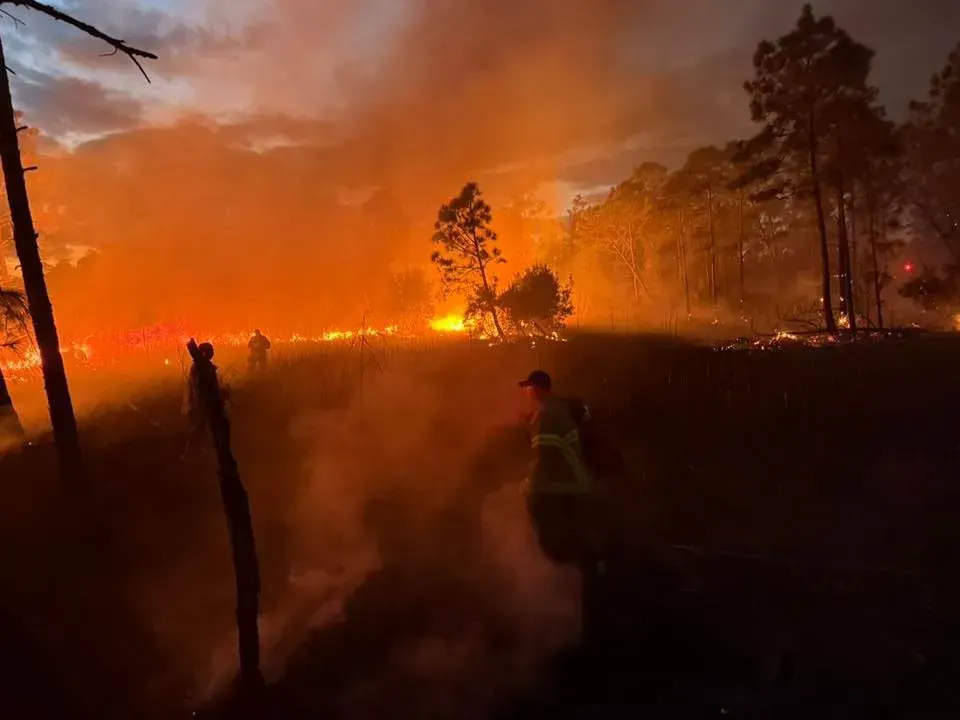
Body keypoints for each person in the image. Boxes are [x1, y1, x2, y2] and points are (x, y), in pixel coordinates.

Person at [518, 369, 606, 643]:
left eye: (528, 387)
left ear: (537, 388)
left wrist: (525, 488)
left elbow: (546, 461)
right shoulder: (560, 411)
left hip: (556, 492)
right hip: (576, 488)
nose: (526, 393)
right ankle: (590, 604)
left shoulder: (548, 417)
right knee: (577, 550)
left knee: (555, 552)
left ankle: (566, 623)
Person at [181, 342, 229, 459]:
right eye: (210, 350)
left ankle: (205, 450)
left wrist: (221, 390)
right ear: (204, 353)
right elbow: (197, 386)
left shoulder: (205, 365)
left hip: (209, 401)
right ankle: (190, 452)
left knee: (211, 427)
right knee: (199, 427)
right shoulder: (198, 367)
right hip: (201, 402)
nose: (212, 352)